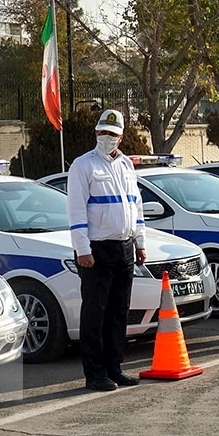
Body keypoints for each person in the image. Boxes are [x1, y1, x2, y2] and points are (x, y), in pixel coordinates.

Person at [67, 109, 147, 387]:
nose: (107, 138)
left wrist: (140, 242)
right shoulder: (83, 165)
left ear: (121, 137)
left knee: (118, 312)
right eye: (103, 133)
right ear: (95, 133)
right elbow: (76, 211)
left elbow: (135, 206)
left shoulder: (126, 165)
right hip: (97, 250)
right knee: (95, 313)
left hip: (124, 247)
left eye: (112, 134)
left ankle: (114, 367)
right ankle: (95, 373)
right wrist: (82, 249)